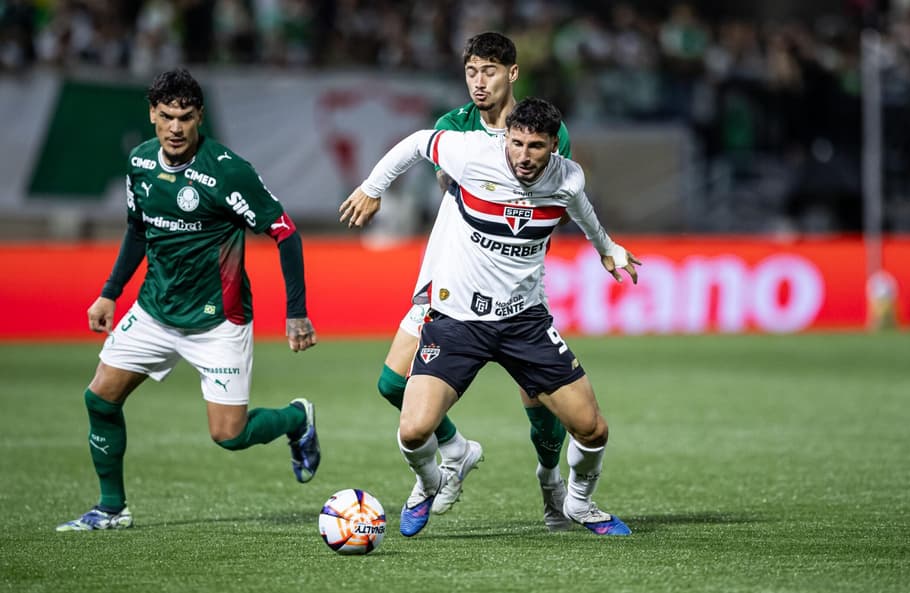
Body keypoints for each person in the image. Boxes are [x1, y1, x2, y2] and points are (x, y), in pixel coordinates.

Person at [339, 97, 640, 537]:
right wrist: (373, 187)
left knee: (593, 430)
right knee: (414, 429)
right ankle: (430, 481)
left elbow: (582, 211)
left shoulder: (567, 177)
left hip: (524, 323)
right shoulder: (471, 154)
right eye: (516, 143)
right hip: (457, 320)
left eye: (535, 146)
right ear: (506, 139)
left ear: (553, 146)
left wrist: (607, 248)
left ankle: (578, 502)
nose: (523, 155)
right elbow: (418, 142)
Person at [56, 68, 321, 531]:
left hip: (218, 320)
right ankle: (111, 508)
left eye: (185, 117)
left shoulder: (227, 172)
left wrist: (296, 313)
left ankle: (296, 419)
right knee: (99, 398)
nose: (175, 128)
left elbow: (286, 233)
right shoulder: (140, 162)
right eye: (166, 116)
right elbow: (138, 230)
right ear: (152, 115)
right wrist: (109, 293)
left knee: (229, 435)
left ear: (200, 117)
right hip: (154, 311)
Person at [371, 31, 575, 530]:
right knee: (393, 382)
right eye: (471, 72)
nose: (478, 82)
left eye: (489, 71)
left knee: (538, 399)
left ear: (512, 73)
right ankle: (455, 450)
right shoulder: (452, 125)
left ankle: (551, 480)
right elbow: (451, 182)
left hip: (517, 283)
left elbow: (556, 198)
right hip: (449, 274)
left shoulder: (546, 129)